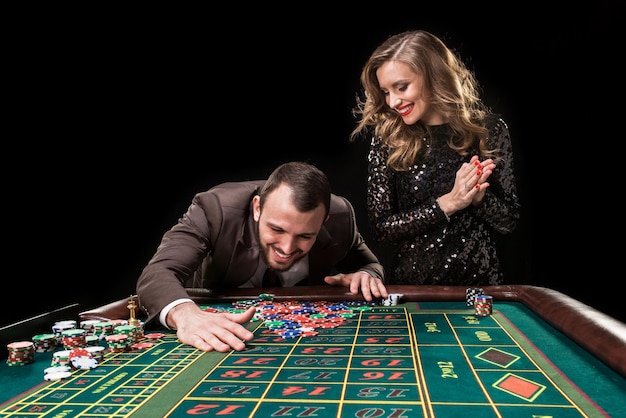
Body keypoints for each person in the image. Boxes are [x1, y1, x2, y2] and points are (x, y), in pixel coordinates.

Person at [136, 161, 388, 352]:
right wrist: (185, 315)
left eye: (304, 236)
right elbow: (158, 273)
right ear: (257, 208)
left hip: (301, 341)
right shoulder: (215, 210)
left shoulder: (340, 219)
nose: (287, 248)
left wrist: (366, 276)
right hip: (216, 338)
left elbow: (369, 264)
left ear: (323, 221)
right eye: (276, 229)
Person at [350, 29, 521, 286]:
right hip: (414, 292)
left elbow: (509, 221)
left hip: (481, 290)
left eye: (401, 87)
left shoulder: (490, 130)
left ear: (433, 75)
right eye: (386, 91)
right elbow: (382, 230)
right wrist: (448, 204)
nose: (393, 101)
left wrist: (479, 199)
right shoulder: (388, 138)